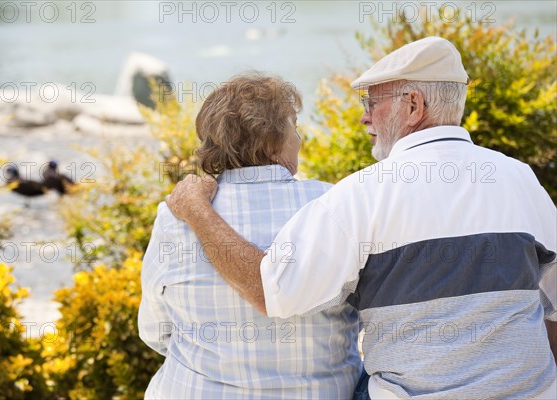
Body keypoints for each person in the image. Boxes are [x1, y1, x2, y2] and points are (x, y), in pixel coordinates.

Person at [165, 37, 557, 399]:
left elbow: (271, 291)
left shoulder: (361, 194)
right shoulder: (521, 178)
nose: (364, 119)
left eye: (372, 104)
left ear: (413, 106)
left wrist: (197, 211)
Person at [138, 73, 361, 399]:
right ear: (272, 143)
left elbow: (156, 330)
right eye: (294, 127)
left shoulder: (175, 215)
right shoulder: (334, 205)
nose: (300, 139)